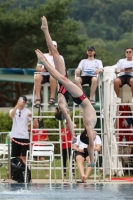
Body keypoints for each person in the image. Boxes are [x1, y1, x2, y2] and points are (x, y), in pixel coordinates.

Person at [35, 16, 97, 167]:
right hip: (78, 97)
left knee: (55, 57)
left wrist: (76, 138)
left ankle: (45, 43)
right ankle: (45, 35)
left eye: (92, 137)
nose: (95, 136)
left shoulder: (88, 126)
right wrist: (93, 161)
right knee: (57, 63)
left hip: (79, 97)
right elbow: (89, 145)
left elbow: (89, 143)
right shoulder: (87, 124)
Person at [34, 40, 65, 107]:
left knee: (52, 76)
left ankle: (52, 98)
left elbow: (63, 68)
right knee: (37, 76)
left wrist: (53, 70)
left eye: (54, 46)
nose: (52, 48)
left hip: (53, 75)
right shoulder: (44, 55)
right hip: (43, 74)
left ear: (56, 48)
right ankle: (38, 99)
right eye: (51, 46)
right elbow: (37, 67)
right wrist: (41, 70)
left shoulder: (60, 57)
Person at [9, 96, 32, 164]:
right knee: (16, 156)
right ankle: (18, 170)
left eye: (22, 101)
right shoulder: (13, 110)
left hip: (24, 136)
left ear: (25, 103)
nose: (21, 102)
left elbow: (33, 121)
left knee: (25, 156)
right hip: (15, 136)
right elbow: (11, 116)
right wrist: (17, 106)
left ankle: (26, 170)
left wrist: (31, 116)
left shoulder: (27, 111)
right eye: (19, 100)